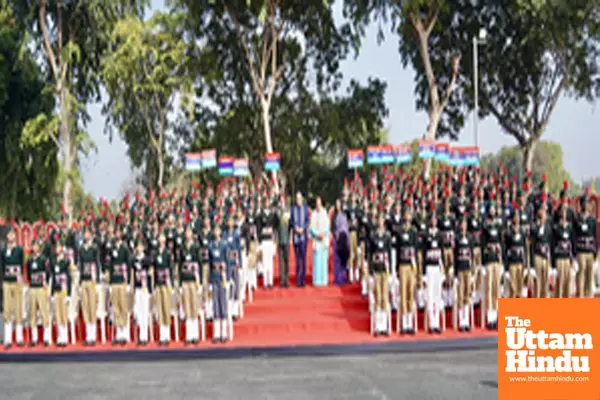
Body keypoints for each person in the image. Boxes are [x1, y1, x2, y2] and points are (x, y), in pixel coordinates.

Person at [1, 227, 25, 348]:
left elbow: (21, 265)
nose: (11, 236)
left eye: (12, 234)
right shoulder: (3, 251)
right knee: (7, 309)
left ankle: (19, 337)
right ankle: (8, 339)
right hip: (6, 282)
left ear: (15, 236)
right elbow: (2, 266)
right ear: (7, 237)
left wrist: (20, 281)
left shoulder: (19, 249)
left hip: (16, 282)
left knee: (18, 308)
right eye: (9, 234)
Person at [396, 200, 417, 334]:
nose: (407, 218)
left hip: (411, 264)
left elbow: (415, 248)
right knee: (403, 292)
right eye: (406, 215)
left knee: (411, 292)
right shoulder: (399, 231)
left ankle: (410, 321)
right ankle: (404, 323)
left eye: (409, 215)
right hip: (403, 264)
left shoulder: (413, 232)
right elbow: (397, 250)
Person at [482, 199, 503, 330]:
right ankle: (490, 317)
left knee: (496, 288)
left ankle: (496, 316)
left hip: (497, 259)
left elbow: (501, 242)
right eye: (490, 208)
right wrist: (483, 263)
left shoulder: (498, 225)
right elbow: (483, 242)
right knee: (489, 288)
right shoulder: (485, 225)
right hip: (489, 259)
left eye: (494, 208)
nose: (492, 211)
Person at [78, 227, 101, 346]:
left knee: (92, 306)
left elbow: (97, 263)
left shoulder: (94, 248)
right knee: (85, 306)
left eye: (87, 233)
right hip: (84, 280)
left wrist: (96, 280)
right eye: (84, 233)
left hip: (92, 280)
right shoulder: (81, 248)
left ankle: (93, 334)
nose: (86, 235)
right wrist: (80, 281)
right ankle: (88, 335)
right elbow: (81, 264)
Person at [574, 188, 598, 298]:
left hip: (590, 250)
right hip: (581, 250)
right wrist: (574, 251)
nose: (586, 205)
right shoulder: (577, 218)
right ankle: (581, 296)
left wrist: (595, 251)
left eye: (587, 203)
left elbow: (594, 235)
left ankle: (589, 296)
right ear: (581, 204)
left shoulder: (592, 220)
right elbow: (574, 235)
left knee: (590, 274)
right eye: (584, 203)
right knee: (582, 273)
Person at [26, 239, 51, 347]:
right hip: (32, 287)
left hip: (41, 288)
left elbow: (48, 272)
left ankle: (46, 337)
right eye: (33, 246)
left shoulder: (43, 259)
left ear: (39, 247)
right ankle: (34, 338)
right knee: (33, 313)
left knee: (44, 311)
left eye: (37, 246)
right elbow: (28, 274)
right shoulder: (30, 260)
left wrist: (44, 282)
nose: (35, 248)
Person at [109, 226, 131, 345]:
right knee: (116, 306)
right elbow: (110, 265)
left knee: (123, 306)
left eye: (118, 232)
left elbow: (128, 264)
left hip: (122, 280)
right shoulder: (112, 247)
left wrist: (127, 282)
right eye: (115, 232)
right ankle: (118, 332)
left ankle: (125, 332)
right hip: (114, 280)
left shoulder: (124, 248)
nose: (116, 234)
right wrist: (110, 282)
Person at [371, 210, 391, 336]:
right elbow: (370, 253)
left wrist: (391, 269)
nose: (380, 222)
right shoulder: (373, 235)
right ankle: (378, 326)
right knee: (378, 296)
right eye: (379, 220)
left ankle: (384, 326)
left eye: (382, 220)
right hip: (376, 269)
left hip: (385, 269)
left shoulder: (387, 236)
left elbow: (389, 252)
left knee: (384, 296)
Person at [180, 226, 201, 344]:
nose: (187, 234)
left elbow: (199, 262)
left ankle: (195, 334)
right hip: (185, 279)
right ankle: (189, 334)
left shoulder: (196, 247)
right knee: (187, 306)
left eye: (189, 232)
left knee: (194, 305)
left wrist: (200, 281)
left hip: (193, 279)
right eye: (186, 232)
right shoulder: (182, 247)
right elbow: (179, 264)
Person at [423, 207, 443, 334]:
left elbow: (441, 252)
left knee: (437, 295)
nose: (434, 221)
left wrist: (443, 268)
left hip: (437, 266)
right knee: (430, 295)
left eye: (436, 219)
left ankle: (437, 322)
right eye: (432, 219)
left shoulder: (440, 235)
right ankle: (431, 323)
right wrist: (423, 273)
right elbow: (423, 253)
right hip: (429, 267)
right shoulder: (426, 235)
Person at [209, 226, 229, 343]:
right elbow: (211, 262)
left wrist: (227, 277)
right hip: (214, 276)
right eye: (215, 230)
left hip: (222, 277)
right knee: (215, 303)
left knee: (223, 303)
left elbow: (227, 260)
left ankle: (224, 332)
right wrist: (210, 279)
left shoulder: (224, 245)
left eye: (218, 230)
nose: (216, 231)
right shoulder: (211, 246)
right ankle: (216, 333)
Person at [454, 213, 473, 332]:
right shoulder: (457, 238)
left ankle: (466, 320)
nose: (463, 226)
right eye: (462, 224)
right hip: (460, 268)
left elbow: (471, 253)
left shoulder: (470, 238)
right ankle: (461, 320)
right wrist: (455, 273)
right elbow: (455, 255)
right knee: (460, 294)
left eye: (465, 223)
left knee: (467, 293)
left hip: (467, 268)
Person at [132, 237, 152, 345]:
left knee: (145, 311)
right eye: (137, 246)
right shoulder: (134, 259)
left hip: (145, 288)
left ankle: (145, 335)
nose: (139, 248)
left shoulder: (147, 259)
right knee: (139, 311)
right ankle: (141, 335)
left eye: (140, 246)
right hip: (138, 287)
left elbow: (148, 267)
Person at [154, 233, 173, 345]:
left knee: (166, 307)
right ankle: (162, 335)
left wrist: (170, 284)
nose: (160, 240)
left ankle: (167, 335)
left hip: (166, 283)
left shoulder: (167, 253)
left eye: (162, 238)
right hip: (158, 283)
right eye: (159, 238)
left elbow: (169, 268)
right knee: (160, 308)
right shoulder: (156, 253)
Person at [51, 241, 71, 347]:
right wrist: (51, 293)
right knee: (57, 314)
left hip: (63, 289)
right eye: (56, 247)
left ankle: (64, 336)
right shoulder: (54, 261)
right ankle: (59, 336)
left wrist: (69, 294)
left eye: (59, 247)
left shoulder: (66, 261)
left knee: (63, 314)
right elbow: (53, 277)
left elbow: (69, 278)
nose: (57, 248)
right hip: (56, 290)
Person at [504, 207, 527, 299]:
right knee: (512, 288)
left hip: (520, 261)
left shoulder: (522, 231)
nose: (516, 218)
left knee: (520, 288)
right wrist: (506, 265)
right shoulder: (508, 231)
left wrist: (525, 263)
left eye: (518, 216)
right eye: (515, 216)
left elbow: (524, 247)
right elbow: (505, 248)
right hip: (512, 261)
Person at [552, 205, 574, 298]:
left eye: (565, 211)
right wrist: (553, 263)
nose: (564, 213)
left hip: (567, 258)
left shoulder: (569, 227)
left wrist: (573, 257)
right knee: (559, 283)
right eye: (562, 211)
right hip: (559, 258)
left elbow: (572, 241)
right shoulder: (556, 227)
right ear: (559, 213)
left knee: (567, 283)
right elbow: (552, 244)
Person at [531, 200, 551, 298]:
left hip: (546, 256)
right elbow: (534, 240)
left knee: (545, 282)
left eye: (544, 211)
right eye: (541, 210)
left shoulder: (548, 226)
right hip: (538, 255)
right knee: (538, 283)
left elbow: (550, 240)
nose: (543, 213)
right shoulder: (534, 225)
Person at [290, 192, 309, 287]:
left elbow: (307, 221)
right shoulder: (293, 208)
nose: (298, 201)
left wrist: (303, 228)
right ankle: (298, 280)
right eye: (297, 199)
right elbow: (292, 222)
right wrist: (295, 228)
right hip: (296, 237)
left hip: (304, 237)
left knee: (304, 259)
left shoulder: (305, 208)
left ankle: (303, 280)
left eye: (300, 199)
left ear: (302, 199)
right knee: (297, 260)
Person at [310, 196, 330, 287]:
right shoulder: (313, 214)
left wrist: (323, 234)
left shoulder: (325, 213)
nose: (318, 205)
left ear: (321, 203)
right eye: (316, 203)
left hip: (323, 239)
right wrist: (317, 234)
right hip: (316, 239)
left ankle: (323, 280)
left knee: (323, 261)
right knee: (316, 261)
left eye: (319, 203)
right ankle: (316, 281)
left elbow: (327, 226)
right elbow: (311, 227)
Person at [332, 199, 349, 286]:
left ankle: (343, 278)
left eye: (339, 204)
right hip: (337, 240)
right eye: (336, 204)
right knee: (337, 260)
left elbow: (346, 228)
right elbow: (332, 228)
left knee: (344, 260)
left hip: (344, 239)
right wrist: (335, 235)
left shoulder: (344, 215)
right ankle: (337, 279)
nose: (337, 206)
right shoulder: (334, 216)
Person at [276, 196, 291, 288]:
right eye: (280, 200)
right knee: (280, 261)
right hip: (279, 238)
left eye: (283, 200)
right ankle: (282, 280)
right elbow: (275, 225)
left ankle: (287, 279)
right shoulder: (277, 211)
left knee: (287, 260)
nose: (281, 201)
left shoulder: (287, 211)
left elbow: (290, 224)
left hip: (287, 238)